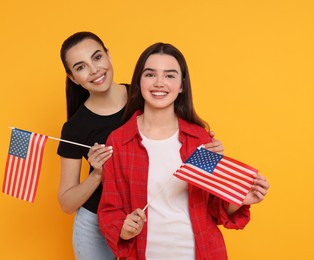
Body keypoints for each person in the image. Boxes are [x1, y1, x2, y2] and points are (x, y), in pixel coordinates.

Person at [57, 32, 225, 260]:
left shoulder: (147, 95)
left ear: (108, 55)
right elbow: (66, 203)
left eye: (97, 58)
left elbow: (177, 131)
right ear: (73, 77)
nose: (94, 70)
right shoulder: (76, 127)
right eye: (80, 67)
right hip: (98, 219)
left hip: (149, 220)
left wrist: (205, 146)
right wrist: (97, 174)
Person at [98, 42, 270, 259]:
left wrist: (239, 199)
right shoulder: (119, 141)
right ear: (139, 82)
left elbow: (214, 210)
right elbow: (109, 210)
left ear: (181, 86)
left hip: (202, 252)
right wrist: (123, 228)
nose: (159, 83)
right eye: (150, 74)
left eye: (170, 76)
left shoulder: (200, 139)